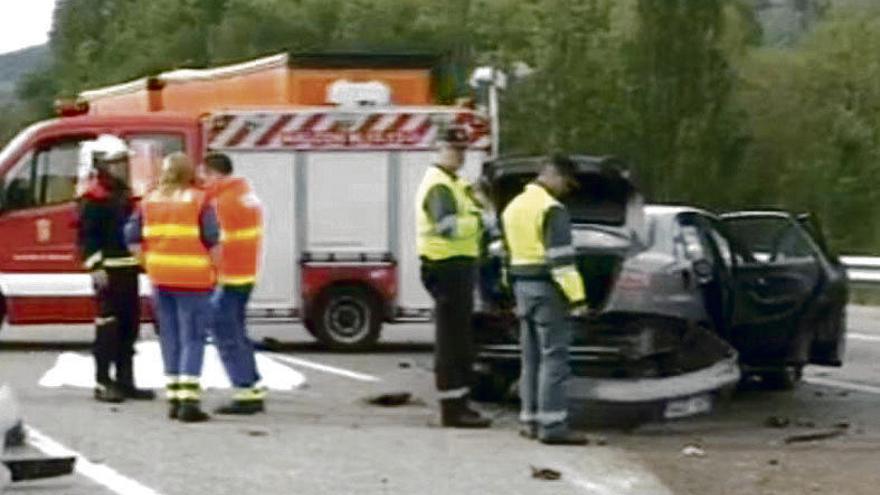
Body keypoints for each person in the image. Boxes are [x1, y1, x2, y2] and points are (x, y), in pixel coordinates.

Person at [501, 154, 590, 445]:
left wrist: (509, 292)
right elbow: (561, 262)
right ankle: (553, 426)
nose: (566, 189)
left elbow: (506, 255)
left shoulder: (513, 207)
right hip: (547, 290)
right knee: (554, 359)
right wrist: (578, 300)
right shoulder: (552, 209)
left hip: (521, 289)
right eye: (566, 181)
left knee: (530, 358)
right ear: (552, 175)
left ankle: (529, 419)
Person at [126, 152, 218, 422]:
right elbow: (212, 240)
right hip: (194, 278)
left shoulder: (150, 199)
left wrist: (148, 263)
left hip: (161, 277)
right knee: (193, 337)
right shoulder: (199, 200)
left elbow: (131, 238)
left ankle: (174, 396)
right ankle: (189, 401)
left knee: (170, 336)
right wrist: (217, 272)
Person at [415, 126, 491, 428]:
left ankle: (460, 404)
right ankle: (453, 409)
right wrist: (478, 222)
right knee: (451, 341)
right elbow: (447, 226)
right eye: (453, 149)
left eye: (462, 150)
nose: (458, 155)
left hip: (457, 265)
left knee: (459, 340)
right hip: (445, 266)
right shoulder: (439, 185)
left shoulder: (455, 183)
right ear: (439, 149)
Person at [77, 135, 155, 403]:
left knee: (129, 327)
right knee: (108, 328)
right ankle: (102, 382)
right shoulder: (93, 198)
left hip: (128, 270)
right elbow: (87, 238)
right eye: (115, 163)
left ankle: (125, 381)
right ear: (101, 165)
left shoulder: (123, 194)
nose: (121, 167)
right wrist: (95, 266)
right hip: (108, 272)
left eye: (123, 162)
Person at [201, 152, 266, 415]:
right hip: (245, 274)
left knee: (227, 336)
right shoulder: (246, 196)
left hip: (227, 276)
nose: (203, 182)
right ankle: (252, 383)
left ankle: (245, 391)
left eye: (204, 176)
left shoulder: (221, 202)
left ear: (215, 173)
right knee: (238, 332)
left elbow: (216, 242)